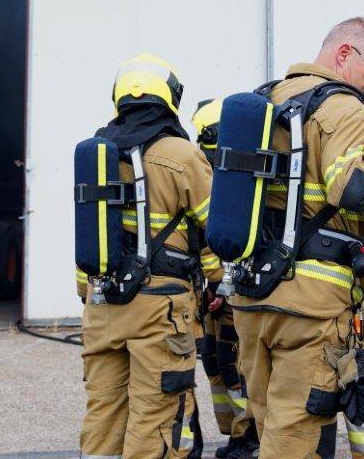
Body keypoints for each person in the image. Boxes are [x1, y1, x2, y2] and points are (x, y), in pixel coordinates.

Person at [230, 18, 364, 459]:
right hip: (312, 308)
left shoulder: (268, 100)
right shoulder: (342, 107)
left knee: (270, 428)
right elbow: (356, 190)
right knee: (295, 439)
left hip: (254, 299)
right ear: (344, 55)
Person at [77, 54, 213, 459]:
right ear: (169, 98)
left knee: (103, 414)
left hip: (101, 306)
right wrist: (218, 280)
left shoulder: (95, 156)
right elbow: (217, 232)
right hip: (159, 307)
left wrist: (87, 290)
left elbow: (90, 228)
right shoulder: (181, 154)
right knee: (155, 415)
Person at [191, 100, 260, 459]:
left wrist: (219, 281)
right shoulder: (214, 175)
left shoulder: (243, 181)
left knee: (237, 366)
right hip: (216, 294)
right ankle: (236, 432)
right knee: (217, 363)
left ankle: (250, 435)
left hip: (239, 293)